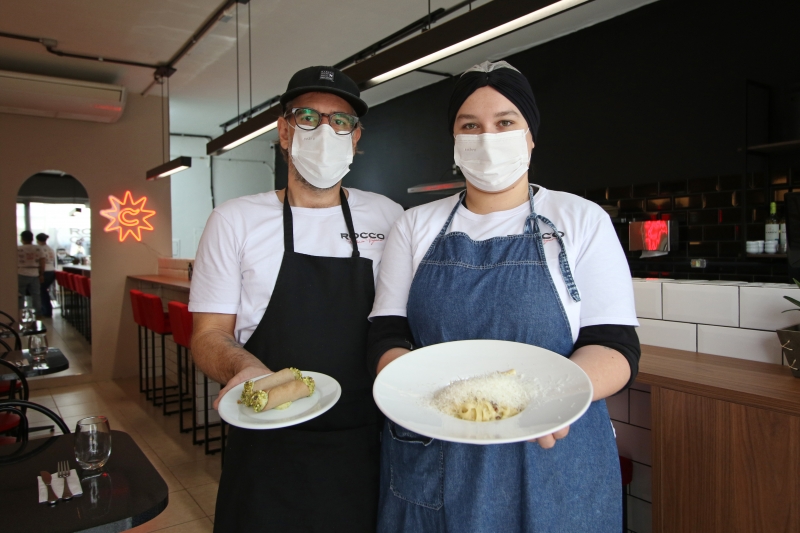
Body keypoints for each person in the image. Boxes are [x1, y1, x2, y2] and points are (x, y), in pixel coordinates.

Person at [367, 61, 640, 532]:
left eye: (505, 122)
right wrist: (418, 401)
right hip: (437, 451)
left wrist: (550, 401)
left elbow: (615, 345)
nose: (487, 138)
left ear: (530, 136)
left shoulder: (580, 219)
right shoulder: (415, 225)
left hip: (554, 448)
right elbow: (388, 334)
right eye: (469, 125)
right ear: (454, 141)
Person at [189, 66, 404, 532]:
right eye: (307, 117)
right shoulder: (234, 221)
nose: (324, 131)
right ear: (284, 132)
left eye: (340, 121)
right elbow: (207, 335)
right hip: (267, 444)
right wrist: (242, 368)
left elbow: (402, 322)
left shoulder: (388, 216)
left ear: (355, 137)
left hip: (365, 445)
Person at [17, 230, 44, 314]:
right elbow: (42, 261)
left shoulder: (18, 249)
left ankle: (20, 313)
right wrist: (41, 274)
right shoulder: (38, 248)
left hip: (21, 272)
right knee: (36, 295)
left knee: (20, 295)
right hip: (35, 273)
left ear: (22, 239)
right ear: (32, 239)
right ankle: (38, 314)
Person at [36, 233, 57, 317]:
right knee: (44, 291)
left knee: (42, 291)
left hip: (45, 271)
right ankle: (46, 310)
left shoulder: (40, 249)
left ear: (37, 240)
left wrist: (41, 274)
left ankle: (46, 311)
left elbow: (42, 262)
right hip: (51, 271)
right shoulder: (50, 249)